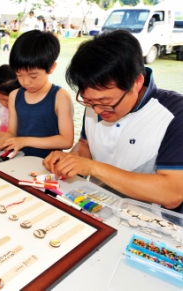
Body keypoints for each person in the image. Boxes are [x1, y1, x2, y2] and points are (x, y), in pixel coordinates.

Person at [43, 30, 183, 213]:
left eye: (106, 103)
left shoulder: (174, 115)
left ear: (137, 82)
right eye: (88, 101)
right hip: (97, 207)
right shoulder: (95, 102)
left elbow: (172, 194)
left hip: (148, 225)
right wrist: (73, 158)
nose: (98, 111)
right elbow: (86, 144)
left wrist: (93, 168)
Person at [0, 30, 74, 159]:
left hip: (46, 166)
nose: (25, 82)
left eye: (33, 76)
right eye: (19, 75)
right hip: (18, 160)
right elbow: (11, 133)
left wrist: (25, 141)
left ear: (52, 67)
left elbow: (66, 140)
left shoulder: (60, 96)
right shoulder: (14, 96)